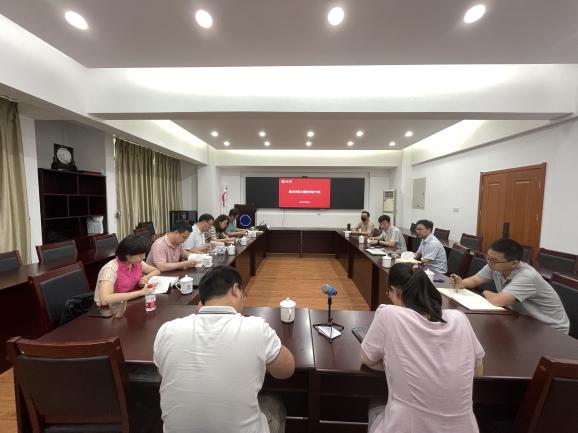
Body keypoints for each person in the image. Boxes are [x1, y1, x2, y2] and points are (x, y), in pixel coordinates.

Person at [154, 266, 295, 433]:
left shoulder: (167, 331)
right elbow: (286, 370)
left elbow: (163, 373)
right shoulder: (256, 328)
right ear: (235, 290)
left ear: (201, 301)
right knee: (274, 402)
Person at [361, 263, 484, 433]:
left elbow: (367, 359)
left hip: (407, 427)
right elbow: (477, 371)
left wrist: (395, 364)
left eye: (388, 292)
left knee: (375, 404)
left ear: (395, 291)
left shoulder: (389, 314)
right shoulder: (459, 318)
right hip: (465, 428)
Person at [450, 238, 570, 333]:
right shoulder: (494, 265)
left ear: (514, 263)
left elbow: (498, 301)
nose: (489, 262)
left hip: (550, 329)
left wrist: (485, 292)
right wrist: (462, 282)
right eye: (488, 257)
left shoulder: (527, 276)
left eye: (494, 260)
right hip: (526, 321)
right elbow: (476, 279)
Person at [94, 234, 160, 306]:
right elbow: (104, 300)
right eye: (140, 255)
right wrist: (141, 292)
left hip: (128, 302)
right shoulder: (110, 269)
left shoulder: (136, 263)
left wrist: (146, 277)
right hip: (110, 308)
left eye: (144, 254)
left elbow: (156, 271)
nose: (143, 257)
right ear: (127, 254)